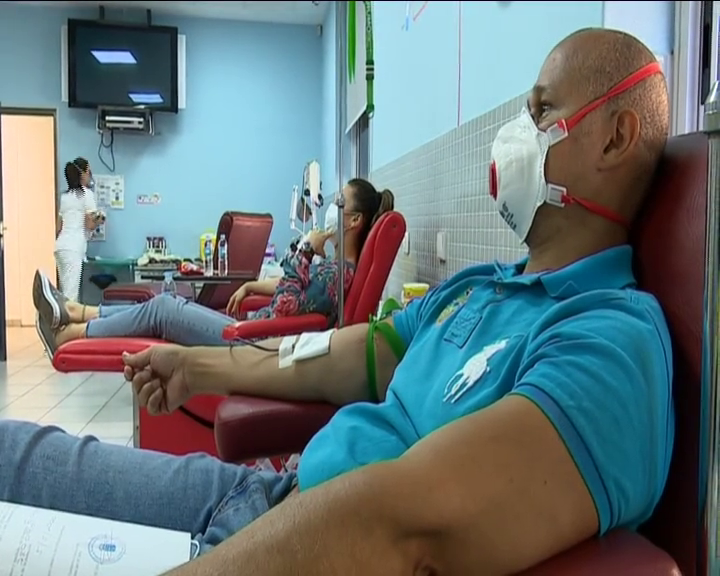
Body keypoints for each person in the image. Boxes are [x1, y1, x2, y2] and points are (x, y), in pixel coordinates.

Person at [2, 28, 672, 575]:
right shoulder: (481, 287)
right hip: (271, 498)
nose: (517, 136)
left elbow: (404, 521)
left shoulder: (609, 340)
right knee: (12, 452)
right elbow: (342, 353)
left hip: (305, 549)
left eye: (542, 112)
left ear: (615, 136)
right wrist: (204, 369)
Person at [33, 179, 395, 355]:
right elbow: (297, 293)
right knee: (168, 306)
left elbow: (288, 308)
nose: (331, 206)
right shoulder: (335, 270)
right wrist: (253, 286)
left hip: (256, 343)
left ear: (353, 220)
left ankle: (70, 333)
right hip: (256, 331)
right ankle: (77, 311)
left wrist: (304, 252)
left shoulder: (339, 276)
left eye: (338, 202)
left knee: (164, 308)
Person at [53, 157, 102, 302]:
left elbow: (58, 227)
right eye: (89, 171)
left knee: (65, 291)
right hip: (73, 249)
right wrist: (100, 220)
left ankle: (64, 322)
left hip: (60, 247)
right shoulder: (87, 195)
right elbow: (89, 225)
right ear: (85, 173)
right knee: (71, 295)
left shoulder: (65, 196)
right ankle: (66, 324)